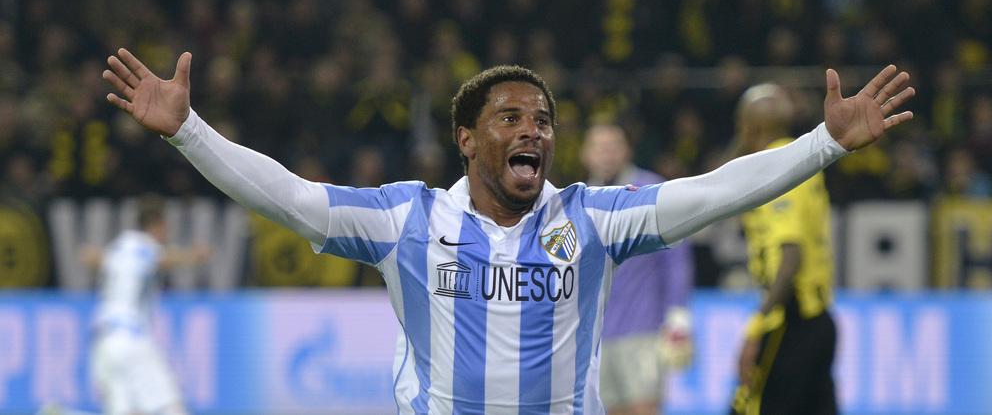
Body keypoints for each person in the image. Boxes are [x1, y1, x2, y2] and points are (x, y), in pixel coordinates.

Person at [101, 48, 914, 414]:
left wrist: (823, 143)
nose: (536, 130)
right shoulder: (405, 220)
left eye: (545, 119)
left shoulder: (592, 221)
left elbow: (714, 192)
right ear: (467, 138)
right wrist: (188, 132)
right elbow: (289, 198)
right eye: (511, 117)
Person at [728, 84, 839, 415]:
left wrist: (756, 327)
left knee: (748, 407)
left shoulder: (778, 168)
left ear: (749, 126)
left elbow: (790, 257)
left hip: (790, 320)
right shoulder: (798, 157)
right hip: (818, 319)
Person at [580, 124, 694, 415]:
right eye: (599, 147)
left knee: (643, 408)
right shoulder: (579, 200)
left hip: (643, 330)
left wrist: (677, 315)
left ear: (627, 150)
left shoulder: (650, 190)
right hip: (596, 337)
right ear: (585, 154)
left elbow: (677, 258)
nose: (606, 155)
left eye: (613, 146)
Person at [85, 195, 209, 415]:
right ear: (158, 224)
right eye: (166, 226)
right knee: (171, 408)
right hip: (131, 339)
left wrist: (93, 256)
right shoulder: (144, 246)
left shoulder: (120, 246)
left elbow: (95, 258)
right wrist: (192, 256)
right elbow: (159, 259)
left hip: (103, 343)